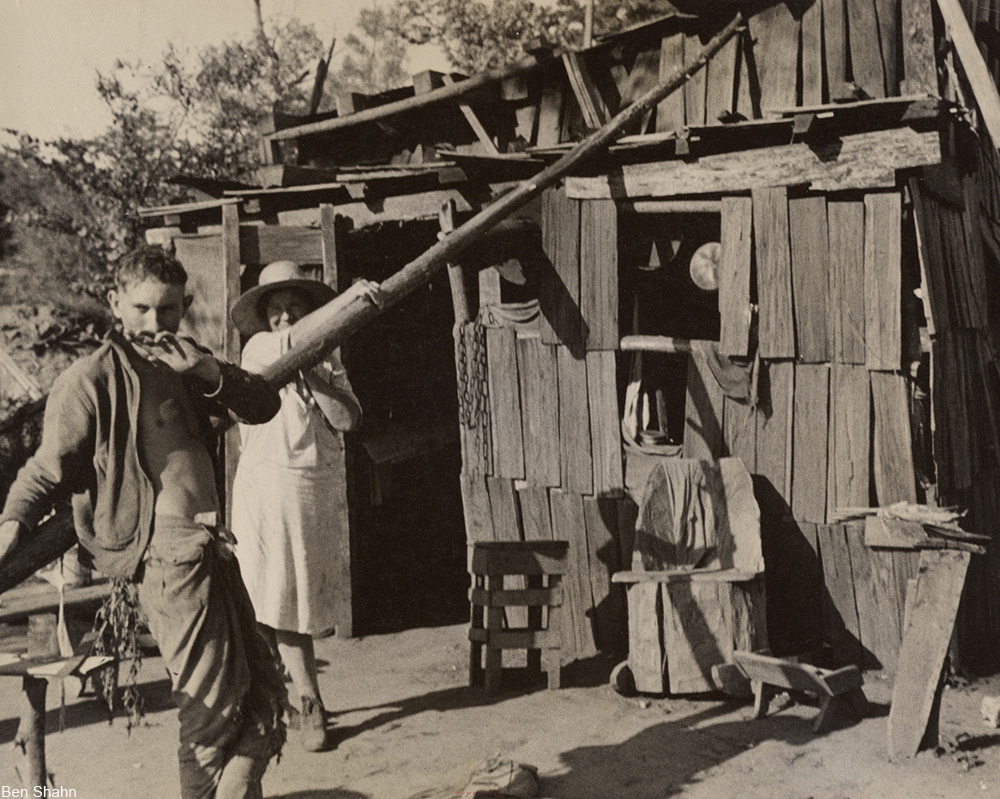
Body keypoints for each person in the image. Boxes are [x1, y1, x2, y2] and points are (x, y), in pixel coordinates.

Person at [0, 246, 286, 799]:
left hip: (213, 548)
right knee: (213, 716)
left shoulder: (185, 362)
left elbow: (263, 404)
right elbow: (46, 470)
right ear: (115, 304)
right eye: (142, 309)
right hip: (167, 559)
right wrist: (11, 523)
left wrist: (208, 371)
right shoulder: (90, 379)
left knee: (266, 699)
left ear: (184, 307)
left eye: (169, 310)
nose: (155, 323)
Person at [229, 261, 362, 753]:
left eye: (295, 308)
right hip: (266, 486)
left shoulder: (328, 358)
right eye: (277, 310)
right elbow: (295, 341)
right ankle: (308, 701)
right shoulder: (259, 348)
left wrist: (317, 378)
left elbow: (348, 419)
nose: (285, 318)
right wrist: (350, 300)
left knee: (295, 602)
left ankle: (286, 694)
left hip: (310, 487)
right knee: (268, 597)